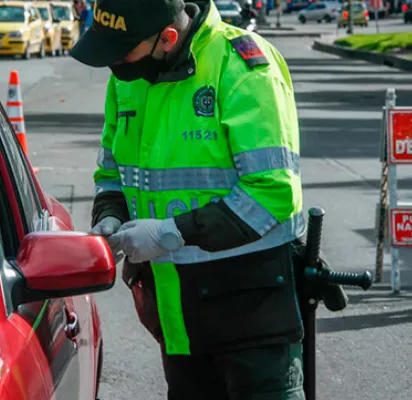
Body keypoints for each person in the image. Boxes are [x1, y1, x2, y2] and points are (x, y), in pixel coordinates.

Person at [72, 0, 306, 398]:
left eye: (123, 51)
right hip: (175, 312)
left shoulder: (242, 68)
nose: (115, 64)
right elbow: (112, 171)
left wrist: (171, 233)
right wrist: (109, 214)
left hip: (250, 309)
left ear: (168, 38)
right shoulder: (128, 78)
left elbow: (274, 191)